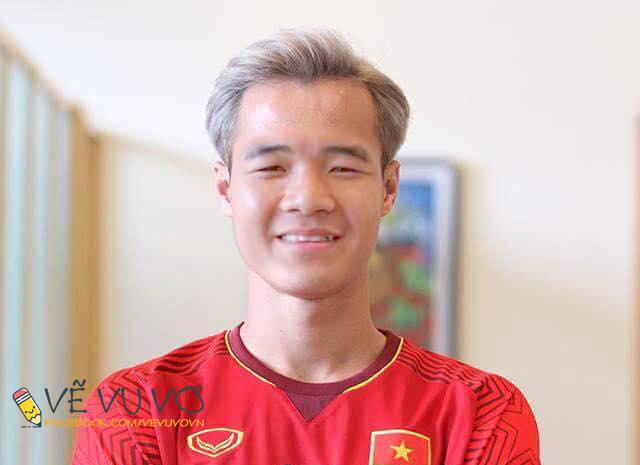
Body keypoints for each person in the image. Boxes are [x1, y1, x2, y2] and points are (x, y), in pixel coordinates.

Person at [71, 28, 541, 465]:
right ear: (225, 189)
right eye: (272, 167)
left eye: (342, 168)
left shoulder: (481, 413)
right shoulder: (136, 410)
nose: (309, 199)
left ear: (388, 189)